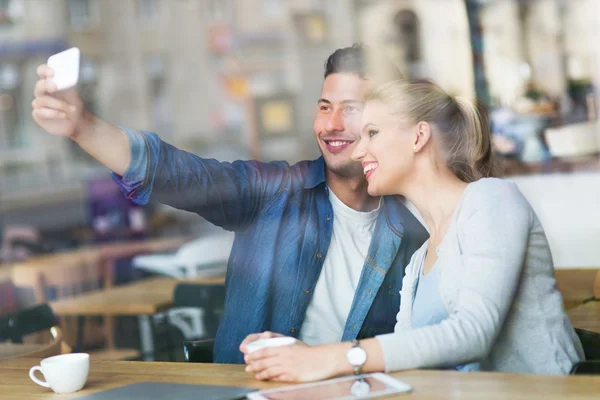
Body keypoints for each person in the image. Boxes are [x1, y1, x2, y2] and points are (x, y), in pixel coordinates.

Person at [31, 45, 428, 363]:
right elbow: (178, 173)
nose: (331, 124)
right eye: (325, 107)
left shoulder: (414, 224)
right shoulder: (274, 192)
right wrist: (82, 127)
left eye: (352, 110)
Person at [242, 79, 584, 381]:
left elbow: (473, 333)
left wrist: (329, 358)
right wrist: (300, 353)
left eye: (372, 133)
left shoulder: (492, 199)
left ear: (419, 136)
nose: (359, 151)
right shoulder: (420, 256)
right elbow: (409, 358)